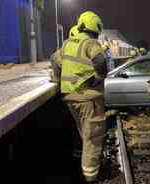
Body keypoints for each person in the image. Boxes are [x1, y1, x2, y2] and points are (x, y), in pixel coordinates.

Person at [60, 11, 107, 183]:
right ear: (95, 28)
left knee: (85, 134)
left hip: (70, 97)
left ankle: (87, 167)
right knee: (93, 137)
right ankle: (91, 176)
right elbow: (101, 62)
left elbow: (55, 61)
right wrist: (99, 78)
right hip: (87, 98)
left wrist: (60, 82)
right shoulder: (90, 42)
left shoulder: (67, 43)